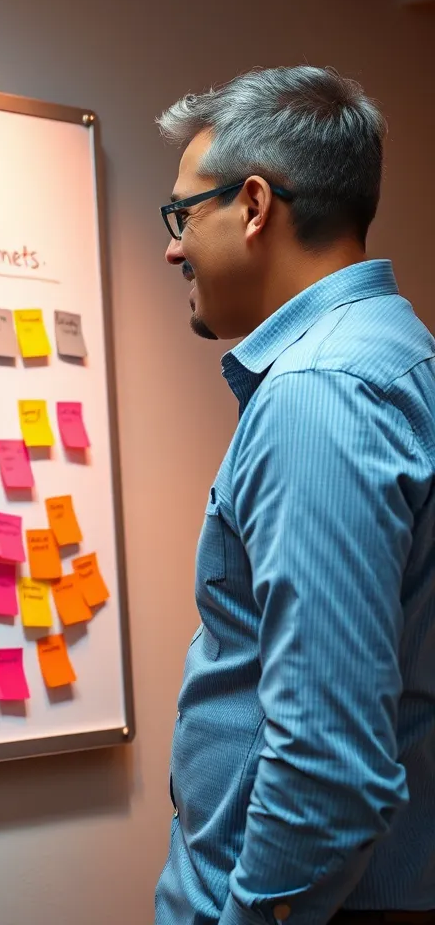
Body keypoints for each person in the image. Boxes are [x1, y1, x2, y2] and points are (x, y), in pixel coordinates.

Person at [153, 66, 435, 925]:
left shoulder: (320, 390)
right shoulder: (399, 352)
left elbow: (328, 758)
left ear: (253, 206)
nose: (171, 248)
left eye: (181, 216)